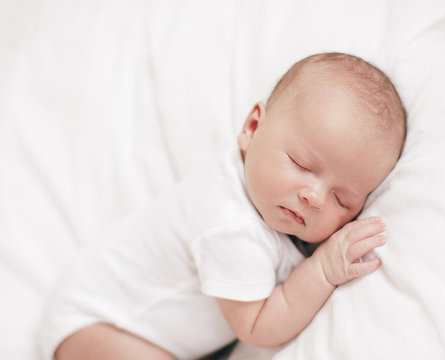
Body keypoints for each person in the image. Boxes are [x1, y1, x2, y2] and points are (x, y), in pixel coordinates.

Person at [40, 52, 407, 359]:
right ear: (252, 127)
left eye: (341, 199)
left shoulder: (266, 191)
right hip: (96, 323)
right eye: (300, 164)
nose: (313, 196)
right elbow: (259, 326)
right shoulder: (230, 226)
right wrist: (324, 270)